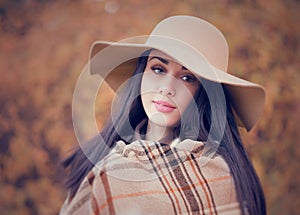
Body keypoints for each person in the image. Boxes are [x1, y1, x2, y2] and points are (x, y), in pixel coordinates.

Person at [60, 15, 266, 215]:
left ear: (204, 94)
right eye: (158, 69)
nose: (167, 88)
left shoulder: (221, 177)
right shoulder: (104, 166)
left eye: (187, 77)